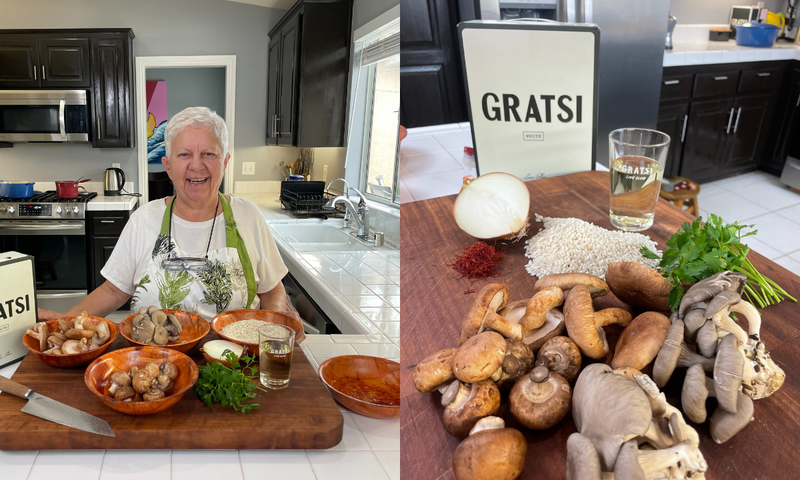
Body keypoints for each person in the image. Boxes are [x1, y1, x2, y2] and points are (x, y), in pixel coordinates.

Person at [38, 106, 290, 321]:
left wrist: (277, 323)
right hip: (153, 366)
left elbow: (271, 290)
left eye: (208, 154)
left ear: (224, 162)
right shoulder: (143, 220)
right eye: (184, 154)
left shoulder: (248, 217)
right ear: (168, 166)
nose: (196, 165)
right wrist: (65, 320)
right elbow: (113, 292)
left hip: (232, 367)